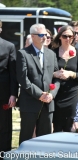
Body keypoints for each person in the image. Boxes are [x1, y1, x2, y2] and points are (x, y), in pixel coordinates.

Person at [16, 24, 60, 145]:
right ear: (33, 36)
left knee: (45, 139)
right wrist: (39, 94)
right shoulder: (23, 54)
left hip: (48, 103)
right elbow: (22, 79)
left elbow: (56, 78)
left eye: (45, 35)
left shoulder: (51, 54)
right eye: (41, 35)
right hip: (30, 103)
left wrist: (52, 94)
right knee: (26, 137)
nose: (45, 37)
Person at [51, 25, 78, 132]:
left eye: (70, 36)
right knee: (57, 125)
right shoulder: (53, 53)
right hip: (57, 94)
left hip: (72, 94)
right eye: (65, 36)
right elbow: (46, 73)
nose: (68, 39)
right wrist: (54, 74)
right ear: (60, 37)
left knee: (71, 126)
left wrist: (70, 73)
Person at [0, 20, 18, 156]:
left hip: (3, 94)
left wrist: (13, 94)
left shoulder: (9, 46)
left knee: (4, 126)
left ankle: (3, 153)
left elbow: (13, 73)